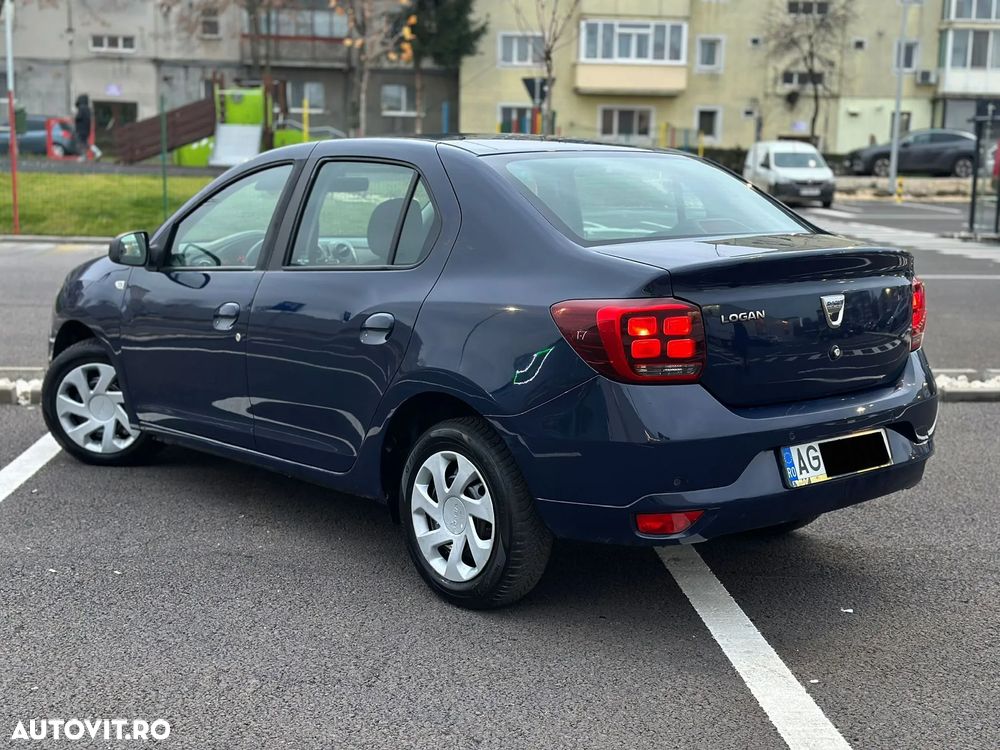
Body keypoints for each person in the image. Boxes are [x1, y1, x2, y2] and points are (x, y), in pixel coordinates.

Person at [74, 94, 102, 161]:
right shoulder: (88, 109)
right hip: (86, 129)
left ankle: (95, 153)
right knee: (84, 143)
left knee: (81, 144)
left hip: (81, 130)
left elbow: (78, 118)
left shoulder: (82, 108)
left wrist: (75, 115)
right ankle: (91, 154)